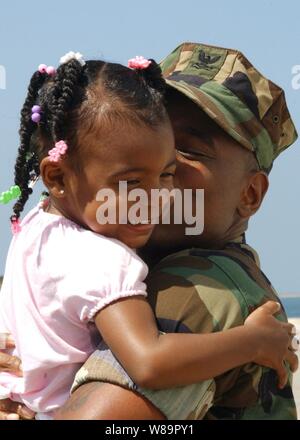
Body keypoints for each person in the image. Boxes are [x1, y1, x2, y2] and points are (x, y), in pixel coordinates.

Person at [0, 49, 292, 421]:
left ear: (249, 193)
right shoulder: (81, 247)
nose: (155, 187)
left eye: (185, 151)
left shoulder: (193, 289)